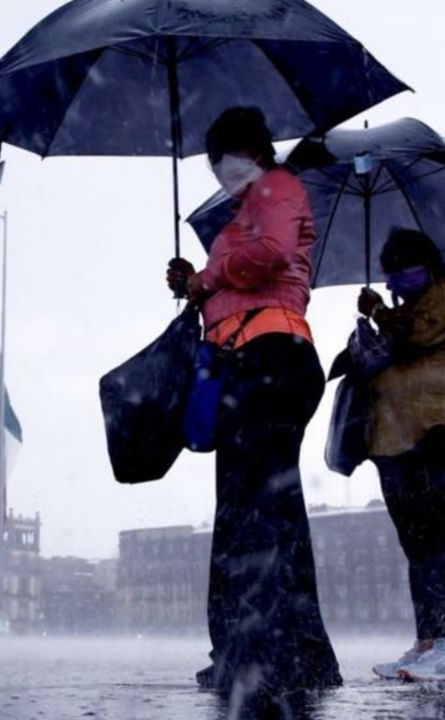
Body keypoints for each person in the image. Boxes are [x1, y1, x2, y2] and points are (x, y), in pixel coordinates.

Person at [167, 106, 340, 694]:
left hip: (270, 358)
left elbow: (268, 254)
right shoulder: (251, 202)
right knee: (268, 509)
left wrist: (209, 278)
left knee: (250, 512)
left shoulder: (277, 186)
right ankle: (288, 652)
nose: (217, 169)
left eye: (220, 157)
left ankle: (257, 653)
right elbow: (239, 273)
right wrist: (195, 281)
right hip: (252, 359)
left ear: (244, 150)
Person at [357, 229, 445, 682]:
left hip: (434, 430)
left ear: (426, 266)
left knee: (438, 537)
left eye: (401, 272)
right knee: (415, 544)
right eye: (390, 275)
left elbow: (414, 338)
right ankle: (427, 642)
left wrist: (376, 311)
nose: (394, 283)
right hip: (392, 437)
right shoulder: (403, 310)